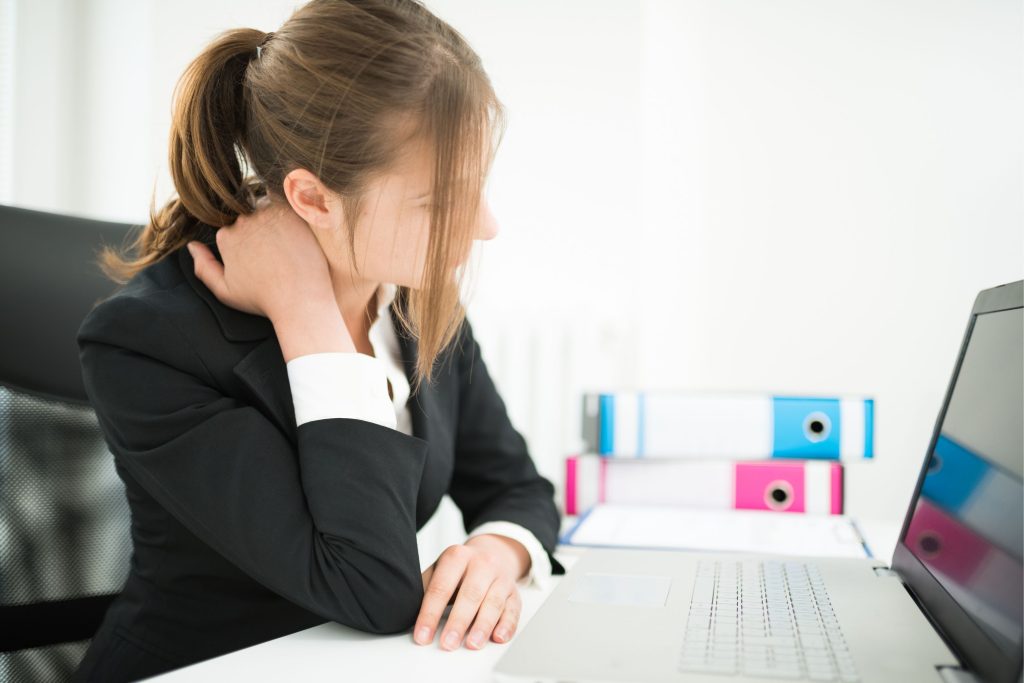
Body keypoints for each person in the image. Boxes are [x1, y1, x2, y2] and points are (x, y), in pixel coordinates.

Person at [71, 1, 564, 680]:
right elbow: (370, 584)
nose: (484, 226)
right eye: (441, 200)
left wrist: (499, 550)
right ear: (313, 198)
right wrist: (306, 314)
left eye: (478, 187)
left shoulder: (414, 296)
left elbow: (516, 484)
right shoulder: (149, 341)